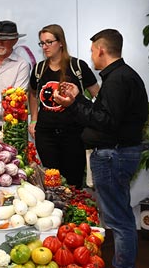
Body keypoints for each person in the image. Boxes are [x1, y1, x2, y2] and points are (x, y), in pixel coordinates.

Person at [54, 29, 149, 268]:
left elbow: (105, 122)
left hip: (113, 155)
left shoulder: (118, 79)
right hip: (116, 154)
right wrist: (80, 98)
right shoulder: (121, 76)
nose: (92, 56)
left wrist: (72, 105)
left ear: (101, 50)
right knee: (120, 216)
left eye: (93, 50)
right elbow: (103, 113)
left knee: (119, 220)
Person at [28, 24, 99, 188]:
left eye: (48, 42)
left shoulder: (78, 68)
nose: (44, 47)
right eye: (42, 43)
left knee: (73, 182)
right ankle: (55, 211)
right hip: (46, 135)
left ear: (60, 42)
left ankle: (72, 211)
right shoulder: (39, 69)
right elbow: (31, 93)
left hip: (74, 134)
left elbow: (98, 95)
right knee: (51, 181)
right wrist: (34, 120)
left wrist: (94, 118)